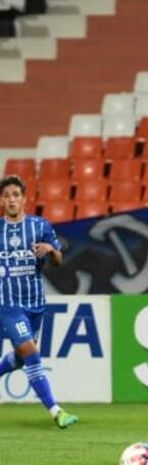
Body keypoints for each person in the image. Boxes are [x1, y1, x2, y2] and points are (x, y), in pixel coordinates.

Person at [0, 175, 78, 429]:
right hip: (8, 304)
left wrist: (51, 251)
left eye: (15, 194)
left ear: (24, 198)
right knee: (32, 353)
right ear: (2, 200)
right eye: (7, 195)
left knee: (22, 357)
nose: (11, 199)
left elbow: (58, 261)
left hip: (35, 303)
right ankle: (56, 411)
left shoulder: (39, 225)